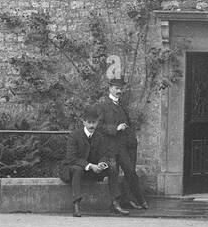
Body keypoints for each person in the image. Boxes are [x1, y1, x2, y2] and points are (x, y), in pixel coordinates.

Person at [94, 78, 148, 210]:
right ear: (110, 88)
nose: (119, 91)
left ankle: (136, 198)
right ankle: (116, 203)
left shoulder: (122, 105)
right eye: (116, 88)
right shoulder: (102, 105)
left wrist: (131, 139)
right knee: (113, 173)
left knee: (130, 171)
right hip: (109, 147)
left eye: (120, 89)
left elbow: (128, 124)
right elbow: (98, 126)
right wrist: (115, 129)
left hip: (122, 146)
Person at [58, 106, 120, 217]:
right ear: (84, 122)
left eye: (94, 122)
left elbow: (104, 155)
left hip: (92, 170)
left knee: (113, 168)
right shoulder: (74, 135)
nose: (92, 125)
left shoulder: (100, 137)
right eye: (89, 122)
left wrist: (102, 164)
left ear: (97, 122)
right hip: (73, 168)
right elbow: (71, 158)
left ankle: (115, 204)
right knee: (78, 169)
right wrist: (90, 166)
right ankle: (76, 205)